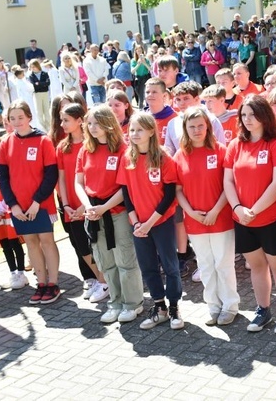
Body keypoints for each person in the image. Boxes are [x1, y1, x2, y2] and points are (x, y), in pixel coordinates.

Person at [224, 95, 276, 333]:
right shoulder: (236, 145)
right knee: (256, 265)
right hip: (242, 218)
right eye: (243, 115)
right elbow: (228, 181)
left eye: (252, 115)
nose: (248, 119)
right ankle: (262, 309)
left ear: (264, 115)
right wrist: (237, 209)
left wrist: (254, 210)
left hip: (272, 217)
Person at [75, 105, 144, 324]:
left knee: (125, 259)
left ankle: (133, 303)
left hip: (117, 212)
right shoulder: (86, 149)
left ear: (108, 123)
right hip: (94, 212)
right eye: (90, 124)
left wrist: (104, 208)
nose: (93, 128)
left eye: (97, 123)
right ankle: (115, 302)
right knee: (105, 262)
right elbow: (79, 182)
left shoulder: (123, 149)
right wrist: (88, 207)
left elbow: (126, 187)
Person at [174, 106, 240, 327]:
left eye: (201, 125)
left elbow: (228, 185)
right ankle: (213, 306)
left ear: (208, 127)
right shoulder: (180, 155)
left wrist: (215, 211)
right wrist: (191, 212)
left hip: (220, 219)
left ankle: (230, 306)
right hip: (195, 221)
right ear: (185, 129)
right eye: (191, 126)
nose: (197, 130)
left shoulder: (221, 150)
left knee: (223, 263)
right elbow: (178, 190)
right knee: (205, 265)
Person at [117, 112, 183, 330]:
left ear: (151, 131)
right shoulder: (127, 158)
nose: (134, 134)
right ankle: (159, 306)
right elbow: (126, 193)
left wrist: (150, 222)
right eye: (132, 130)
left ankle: (174, 307)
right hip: (139, 224)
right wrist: (136, 222)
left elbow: (169, 195)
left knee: (170, 266)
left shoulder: (164, 158)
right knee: (148, 267)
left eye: (139, 130)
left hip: (160, 222)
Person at [0, 100, 60, 304]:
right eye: (12, 118)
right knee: (31, 243)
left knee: (47, 241)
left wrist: (37, 202)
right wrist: (13, 205)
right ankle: (41, 284)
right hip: (19, 207)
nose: (16, 122)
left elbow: (51, 175)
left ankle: (53, 284)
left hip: (40, 204)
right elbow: (2, 177)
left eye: (20, 118)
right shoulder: (6, 142)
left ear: (29, 117)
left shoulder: (43, 141)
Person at [56, 103, 110, 304]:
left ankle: (104, 281)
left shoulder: (91, 144)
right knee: (80, 245)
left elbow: (91, 177)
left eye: (66, 120)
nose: (62, 124)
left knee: (93, 244)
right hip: (70, 206)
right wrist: (66, 204)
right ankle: (99, 280)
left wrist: (83, 205)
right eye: (61, 120)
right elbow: (62, 178)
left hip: (88, 204)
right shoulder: (62, 147)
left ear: (80, 121)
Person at [0, 136, 28, 290]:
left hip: (9, 213)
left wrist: (3, 207)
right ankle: (13, 273)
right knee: (5, 244)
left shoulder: (7, 169)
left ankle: (22, 273)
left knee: (14, 242)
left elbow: (12, 190)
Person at [27, 60, 51, 131]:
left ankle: (48, 126)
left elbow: (48, 83)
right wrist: (41, 84)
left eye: (34, 67)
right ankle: (43, 127)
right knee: (39, 111)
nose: (33, 68)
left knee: (46, 110)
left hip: (45, 93)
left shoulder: (44, 73)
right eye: (31, 67)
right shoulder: (31, 75)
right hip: (37, 94)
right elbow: (34, 85)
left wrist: (39, 83)